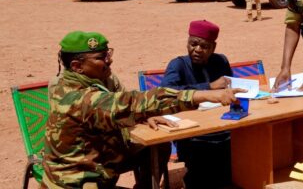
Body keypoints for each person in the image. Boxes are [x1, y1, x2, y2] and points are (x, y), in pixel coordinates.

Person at [44, 31, 242, 189]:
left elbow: (124, 105)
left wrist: (143, 117)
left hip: (103, 153)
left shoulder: (100, 79)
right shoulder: (72, 96)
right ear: (77, 66)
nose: (109, 61)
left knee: (156, 146)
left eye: (108, 54)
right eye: (101, 58)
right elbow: (132, 102)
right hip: (79, 177)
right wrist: (206, 94)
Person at [161, 20, 233, 189]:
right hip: (193, 134)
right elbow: (166, 94)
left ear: (213, 48)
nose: (198, 50)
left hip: (223, 127)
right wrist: (208, 87)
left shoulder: (221, 61)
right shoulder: (178, 65)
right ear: (187, 43)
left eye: (204, 46)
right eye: (193, 44)